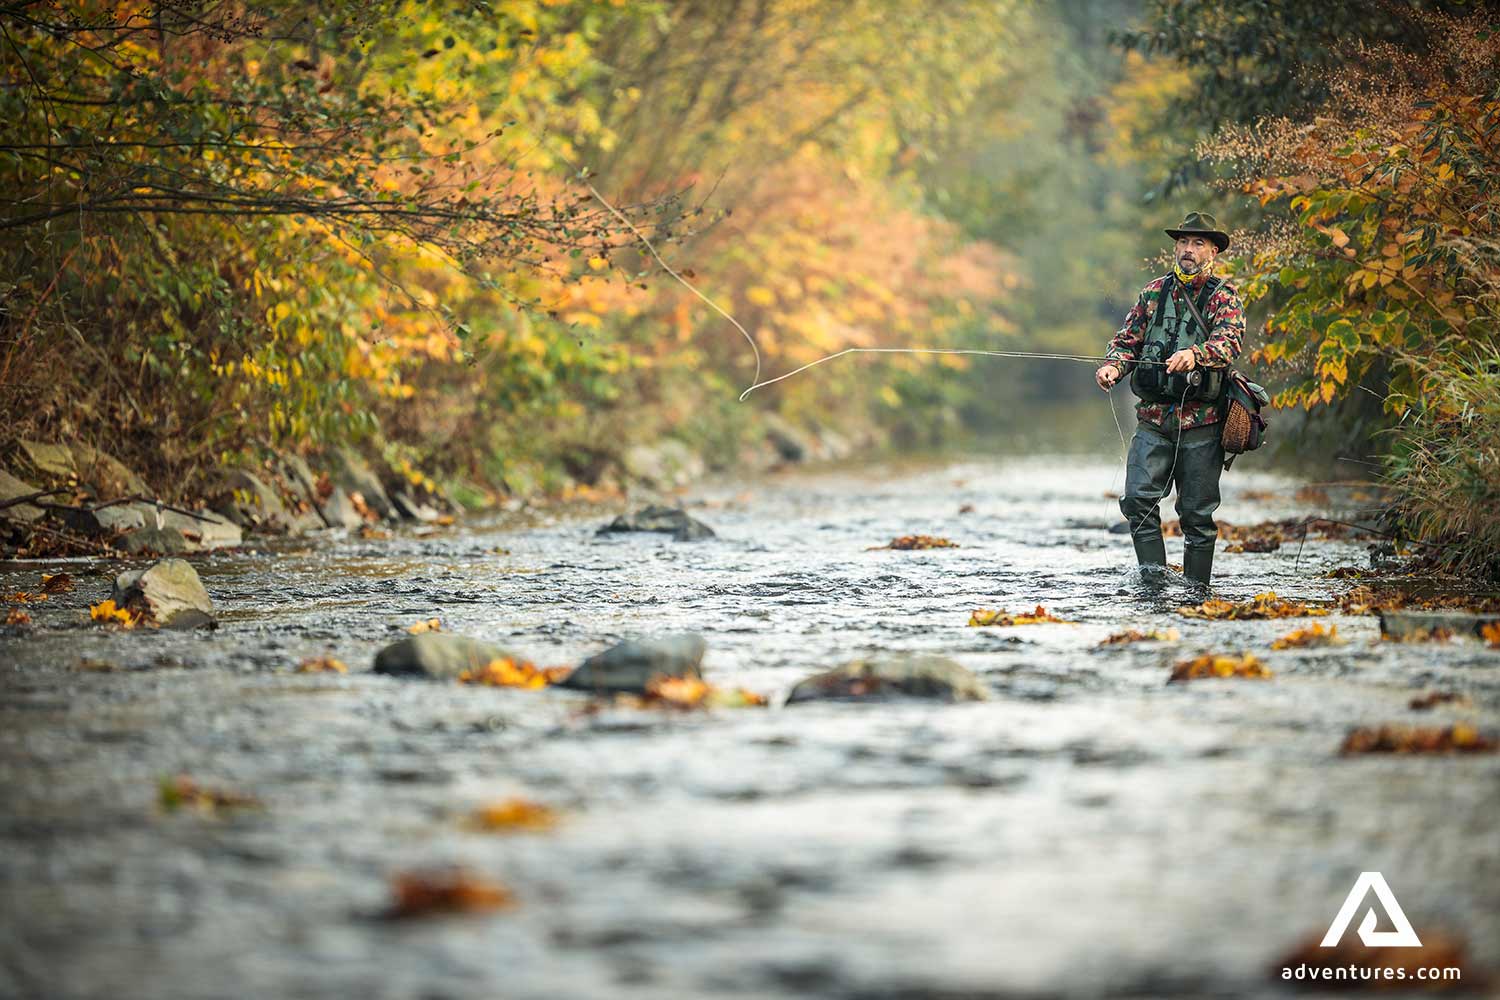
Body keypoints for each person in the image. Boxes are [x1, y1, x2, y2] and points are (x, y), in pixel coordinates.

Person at [1094, 212, 1245, 587]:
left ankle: (1197, 592)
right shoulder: (1152, 293)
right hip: (1154, 419)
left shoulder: (1223, 297)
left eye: (1197, 244)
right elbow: (1128, 341)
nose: (1188, 250)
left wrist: (1196, 355)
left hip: (1203, 424)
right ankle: (1154, 584)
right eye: (1182, 243)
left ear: (1213, 251)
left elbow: (1229, 342)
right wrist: (1114, 366)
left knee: (1197, 517)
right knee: (1138, 504)